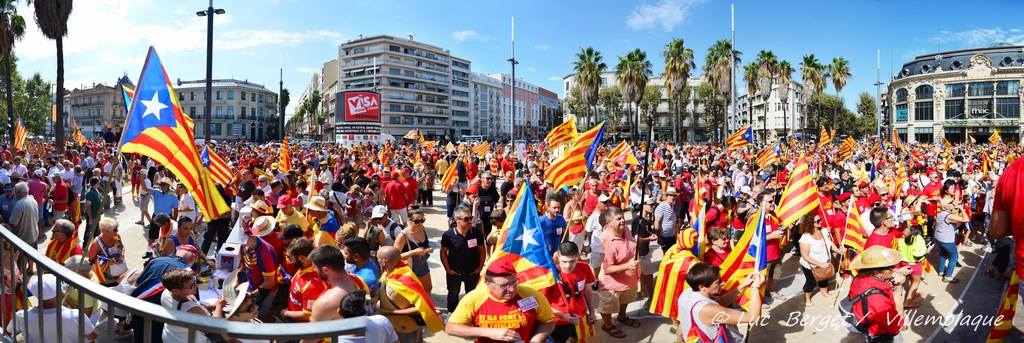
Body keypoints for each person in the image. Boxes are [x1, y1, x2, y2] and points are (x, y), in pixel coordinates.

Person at [445, 258, 556, 343]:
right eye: (504, 285)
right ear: (487, 283)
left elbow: (549, 321)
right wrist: (488, 332)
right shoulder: (474, 298)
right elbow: (451, 328)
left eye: (514, 282)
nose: (512, 289)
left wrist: (536, 339)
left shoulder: (531, 296)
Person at [676, 263, 763, 342]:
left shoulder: (687, 293)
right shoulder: (707, 309)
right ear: (702, 287)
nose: (723, 283)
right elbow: (753, 317)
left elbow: (722, 301)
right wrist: (755, 288)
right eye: (718, 282)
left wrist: (742, 286)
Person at [131, 246, 199, 343]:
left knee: (139, 335)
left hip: (137, 304)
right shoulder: (186, 273)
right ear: (193, 258)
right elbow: (194, 299)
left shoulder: (155, 260)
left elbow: (141, 280)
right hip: (158, 311)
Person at [5, 274, 98, 343]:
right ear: (59, 291)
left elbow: (8, 332)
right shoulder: (76, 315)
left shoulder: (21, 315)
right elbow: (92, 336)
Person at [846, 246, 910, 342]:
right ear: (876, 271)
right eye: (891, 267)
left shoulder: (860, 277)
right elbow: (895, 325)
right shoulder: (877, 299)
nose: (894, 269)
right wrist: (898, 288)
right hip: (881, 335)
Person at [541, 242, 597, 343]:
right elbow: (542, 303)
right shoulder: (549, 274)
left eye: (572, 261)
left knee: (578, 339)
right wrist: (563, 316)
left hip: (580, 316)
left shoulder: (585, 268)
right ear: (558, 256)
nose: (568, 266)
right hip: (558, 322)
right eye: (564, 261)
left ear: (578, 256)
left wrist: (592, 312)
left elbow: (587, 291)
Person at [597, 208, 640, 338]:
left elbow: (631, 244)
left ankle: (622, 316)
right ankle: (608, 325)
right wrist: (628, 265)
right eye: (618, 218)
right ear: (609, 222)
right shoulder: (608, 241)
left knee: (625, 299)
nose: (623, 221)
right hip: (612, 283)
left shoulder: (625, 229)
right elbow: (608, 269)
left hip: (629, 278)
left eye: (622, 217)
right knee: (608, 306)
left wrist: (645, 239)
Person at [160, 268, 226, 343]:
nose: (196, 286)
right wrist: (220, 306)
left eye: (195, 281)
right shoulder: (188, 307)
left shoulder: (167, 292)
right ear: (176, 291)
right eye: (191, 286)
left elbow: (197, 309)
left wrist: (213, 305)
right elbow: (215, 327)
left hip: (171, 336)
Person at [377, 246, 426, 343]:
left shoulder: (406, 280)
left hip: (407, 330)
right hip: (392, 326)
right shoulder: (388, 273)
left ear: (383, 261)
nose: (377, 261)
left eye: (378, 258)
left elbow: (421, 307)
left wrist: (391, 313)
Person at [440, 206, 485, 311]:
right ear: (457, 220)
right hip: (455, 273)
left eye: (471, 218)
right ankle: (452, 313)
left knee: (472, 296)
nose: (470, 221)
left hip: (472, 273)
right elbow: (443, 253)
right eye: (466, 219)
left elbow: (482, 251)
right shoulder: (448, 235)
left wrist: (479, 268)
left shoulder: (476, 233)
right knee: (453, 295)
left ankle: (472, 314)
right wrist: (448, 270)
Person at [798, 212, 843, 306]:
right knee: (811, 282)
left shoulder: (823, 230)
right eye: (818, 221)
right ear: (810, 223)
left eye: (820, 220)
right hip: (810, 265)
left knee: (824, 278)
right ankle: (807, 299)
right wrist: (820, 264)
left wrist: (839, 251)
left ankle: (824, 293)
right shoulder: (805, 238)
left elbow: (829, 244)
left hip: (825, 261)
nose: (821, 222)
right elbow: (805, 256)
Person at [308, 245, 363, 323]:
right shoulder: (360, 282)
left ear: (325, 270)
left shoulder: (323, 303)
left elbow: (313, 333)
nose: (314, 270)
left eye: (315, 267)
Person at [242, 216, 282, 319]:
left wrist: (251, 295)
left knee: (259, 316)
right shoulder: (251, 237)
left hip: (265, 291)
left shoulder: (264, 253)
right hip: (252, 285)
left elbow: (269, 282)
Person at [280, 238, 328, 323]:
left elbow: (308, 315)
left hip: (300, 328)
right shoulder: (303, 268)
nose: (289, 260)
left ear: (302, 258)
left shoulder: (312, 285)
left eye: (289, 257)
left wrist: (286, 313)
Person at [393, 210, 433, 292]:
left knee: (427, 289)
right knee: (413, 293)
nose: (421, 224)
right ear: (409, 221)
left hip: (422, 265)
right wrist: (414, 252)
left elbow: (423, 246)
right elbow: (394, 257)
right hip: (409, 269)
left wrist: (427, 249)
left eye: (422, 220)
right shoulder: (402, 236)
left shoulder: (422, 229)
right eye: (417, 221)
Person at [934, 198, 969, 283]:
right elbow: (966, 219)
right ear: (945, 207)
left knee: (943, 254)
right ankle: (948, 276)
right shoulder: (948, 216)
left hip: (939, 238)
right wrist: (961, 208)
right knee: (954, 257)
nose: (954, 205)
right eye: (951, 204)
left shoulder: (940, 214)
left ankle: (941, 271)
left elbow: (953, 224)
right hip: (946, 240)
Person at [87, 218, 127, 286]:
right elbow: (91, 261)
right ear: (104, 231)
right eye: (115, 230)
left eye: (117, 228)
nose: (117, 231)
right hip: (105, 280)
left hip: (120, 274)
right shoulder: (96, 244)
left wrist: (122, 256)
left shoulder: (117, 236)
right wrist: (106, 263)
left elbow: (122, 247)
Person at [631, 198, 658, 298]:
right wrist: (649, 239)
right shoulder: (638, 221)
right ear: (644, 205)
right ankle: (651, 298)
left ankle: (643, 292)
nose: (652, 207)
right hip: (641, 253)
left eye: (653, 205)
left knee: (644, 274)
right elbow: (636, 239)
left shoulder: (646, 219)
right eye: (650, 205)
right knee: (649, 275)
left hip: (645, 252)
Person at [10, 182, 39, 250]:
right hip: (34, 235)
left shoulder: (19, 204)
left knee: (21, 259)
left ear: (19, 192)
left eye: (15, 191)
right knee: (32, 257)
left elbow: (13, 224)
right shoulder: (33, 200)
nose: (15, 194)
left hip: (23, 239)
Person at [82, 177, 103, 245]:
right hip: (92, 216)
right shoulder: (90, 193)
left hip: (96, 215)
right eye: (98, 182)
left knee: (97, 231)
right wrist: (90, 218)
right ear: (95, 184)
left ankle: (96, 244)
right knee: (89, 231)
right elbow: (88, 206)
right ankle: (85, 245)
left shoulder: (95, 190)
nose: (99, 183)